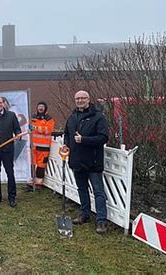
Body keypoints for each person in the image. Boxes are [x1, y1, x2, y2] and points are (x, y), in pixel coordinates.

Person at [64, 90, 109, 234]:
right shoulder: (72, 117)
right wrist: (66, 144)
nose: (80, 100)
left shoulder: (98, 117)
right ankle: (84, 214)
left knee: (98, 192)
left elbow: (103, 138)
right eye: (78, 98)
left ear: (89, 99)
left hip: (93, 162)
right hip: (77, 160)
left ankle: (101, 221)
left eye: (83, 98)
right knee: (81, 189)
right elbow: (67, 134)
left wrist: (84, 140)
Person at [29, 101, 55, 189]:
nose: (40, 108)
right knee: (32, 163)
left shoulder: (49, 119)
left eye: (42, 107)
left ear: (45, 108)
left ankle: (39, 183)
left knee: (41, 165)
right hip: (33, 146)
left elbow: (48, 130)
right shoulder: (32, 117)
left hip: (44, 147)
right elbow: (28, 127)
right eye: (39, 106)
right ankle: (31, 181)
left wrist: (36, 128)